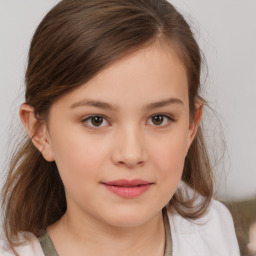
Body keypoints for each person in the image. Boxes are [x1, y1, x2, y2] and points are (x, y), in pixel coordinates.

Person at [0, 0, 240, 255]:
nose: (131, 154)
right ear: (41, 131)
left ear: (191, 126)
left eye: (158, 119)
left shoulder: (211, 227)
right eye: (96, 120)